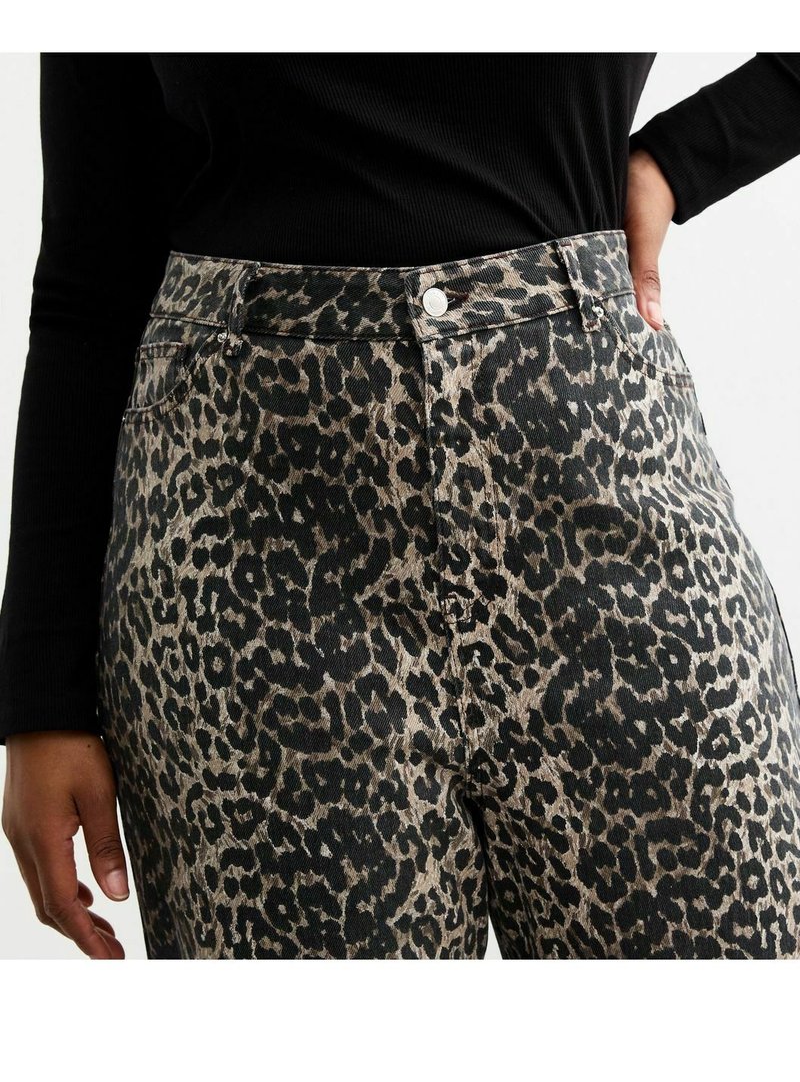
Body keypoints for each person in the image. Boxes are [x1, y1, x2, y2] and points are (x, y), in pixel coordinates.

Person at [2, 54, 800, 960]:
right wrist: (42, 696)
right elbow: (89, 280)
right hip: (252, 576)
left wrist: (681, 158)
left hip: (615, 520)